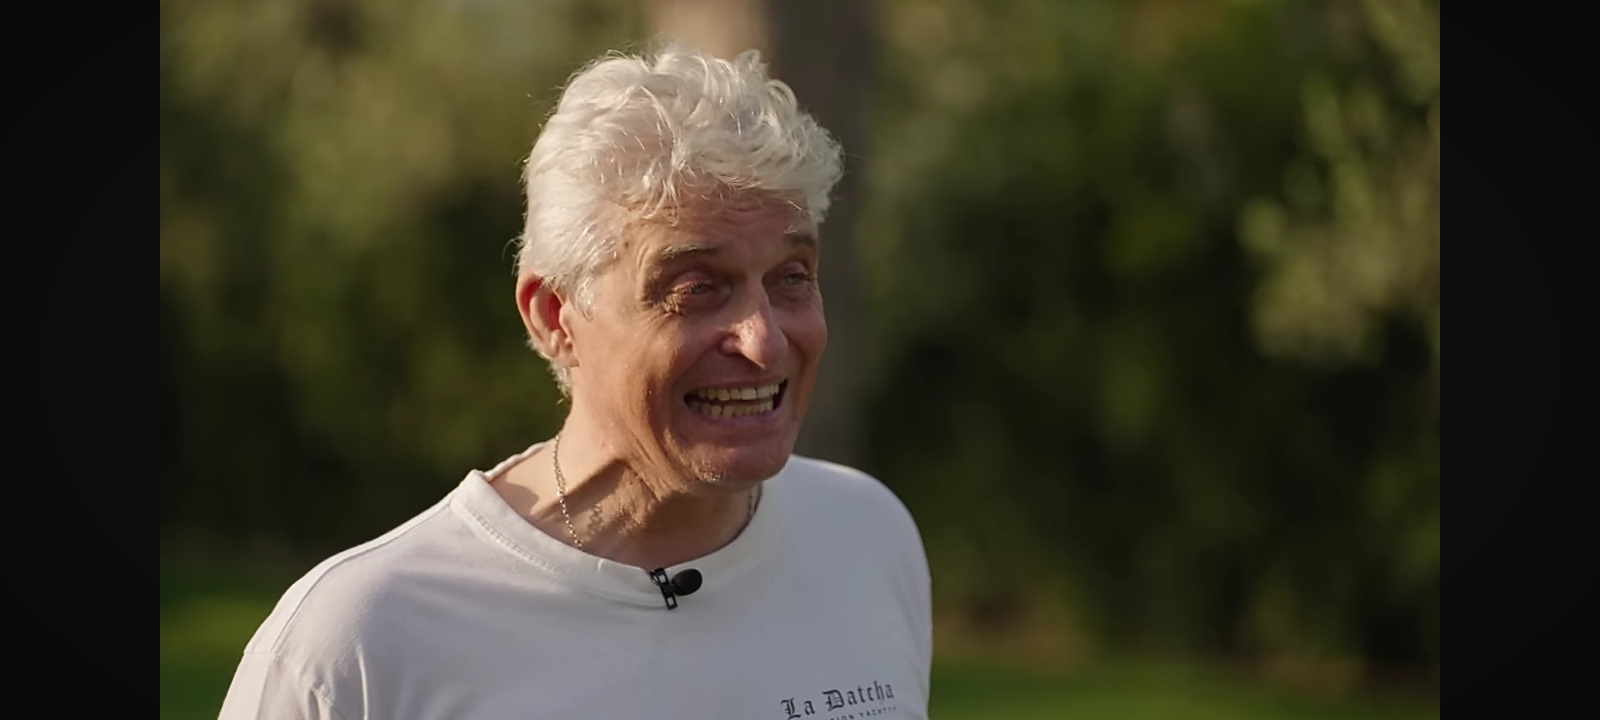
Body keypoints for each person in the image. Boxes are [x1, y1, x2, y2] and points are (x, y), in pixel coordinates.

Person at [217, 43, 932, 720]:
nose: (764, 339)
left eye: (792, 278)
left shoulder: (867, 537)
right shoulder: (359, 643)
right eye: (695, 288)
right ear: (555, 316)